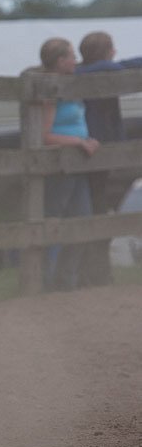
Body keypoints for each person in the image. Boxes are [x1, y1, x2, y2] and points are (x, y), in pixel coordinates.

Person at [76, 31, 142, 284]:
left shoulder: (90, 71)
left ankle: (98, 272)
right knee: (96, 210)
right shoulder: (97, 72)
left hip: (102, 152)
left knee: (100, 209)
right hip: (94, 152)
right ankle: (95, 273)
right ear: (106, 51)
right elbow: (113, 66)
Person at [39, 38, 100, 290]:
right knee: (55, 220)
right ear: (61, 61)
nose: (76, 61)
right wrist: (77, 141)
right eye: (72, 57)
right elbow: (44, 135)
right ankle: (47, 279)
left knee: (82, 218)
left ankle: (67, 280)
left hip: (77, 164)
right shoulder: (50, 92)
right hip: (59, 164)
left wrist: (86, 140)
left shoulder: (70, 86)